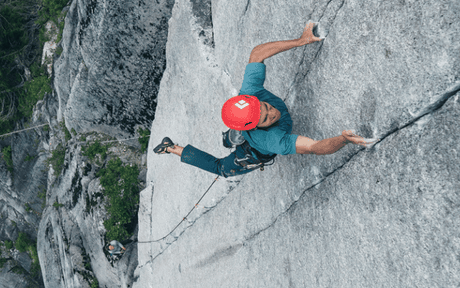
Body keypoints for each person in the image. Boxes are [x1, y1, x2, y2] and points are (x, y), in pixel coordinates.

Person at [153, 21, 373, 177]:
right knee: (221, 168)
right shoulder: (272, 140)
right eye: (267, 118)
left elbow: (257, 53)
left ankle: (219, 139)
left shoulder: (249, 94)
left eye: (265, 107)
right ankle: (172, 148)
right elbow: (314, 147)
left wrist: (301, 41)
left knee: (232, 142)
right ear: (257, 127)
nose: (272, 112)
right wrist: (344, 139)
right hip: (253, 151)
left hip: (245, 130)